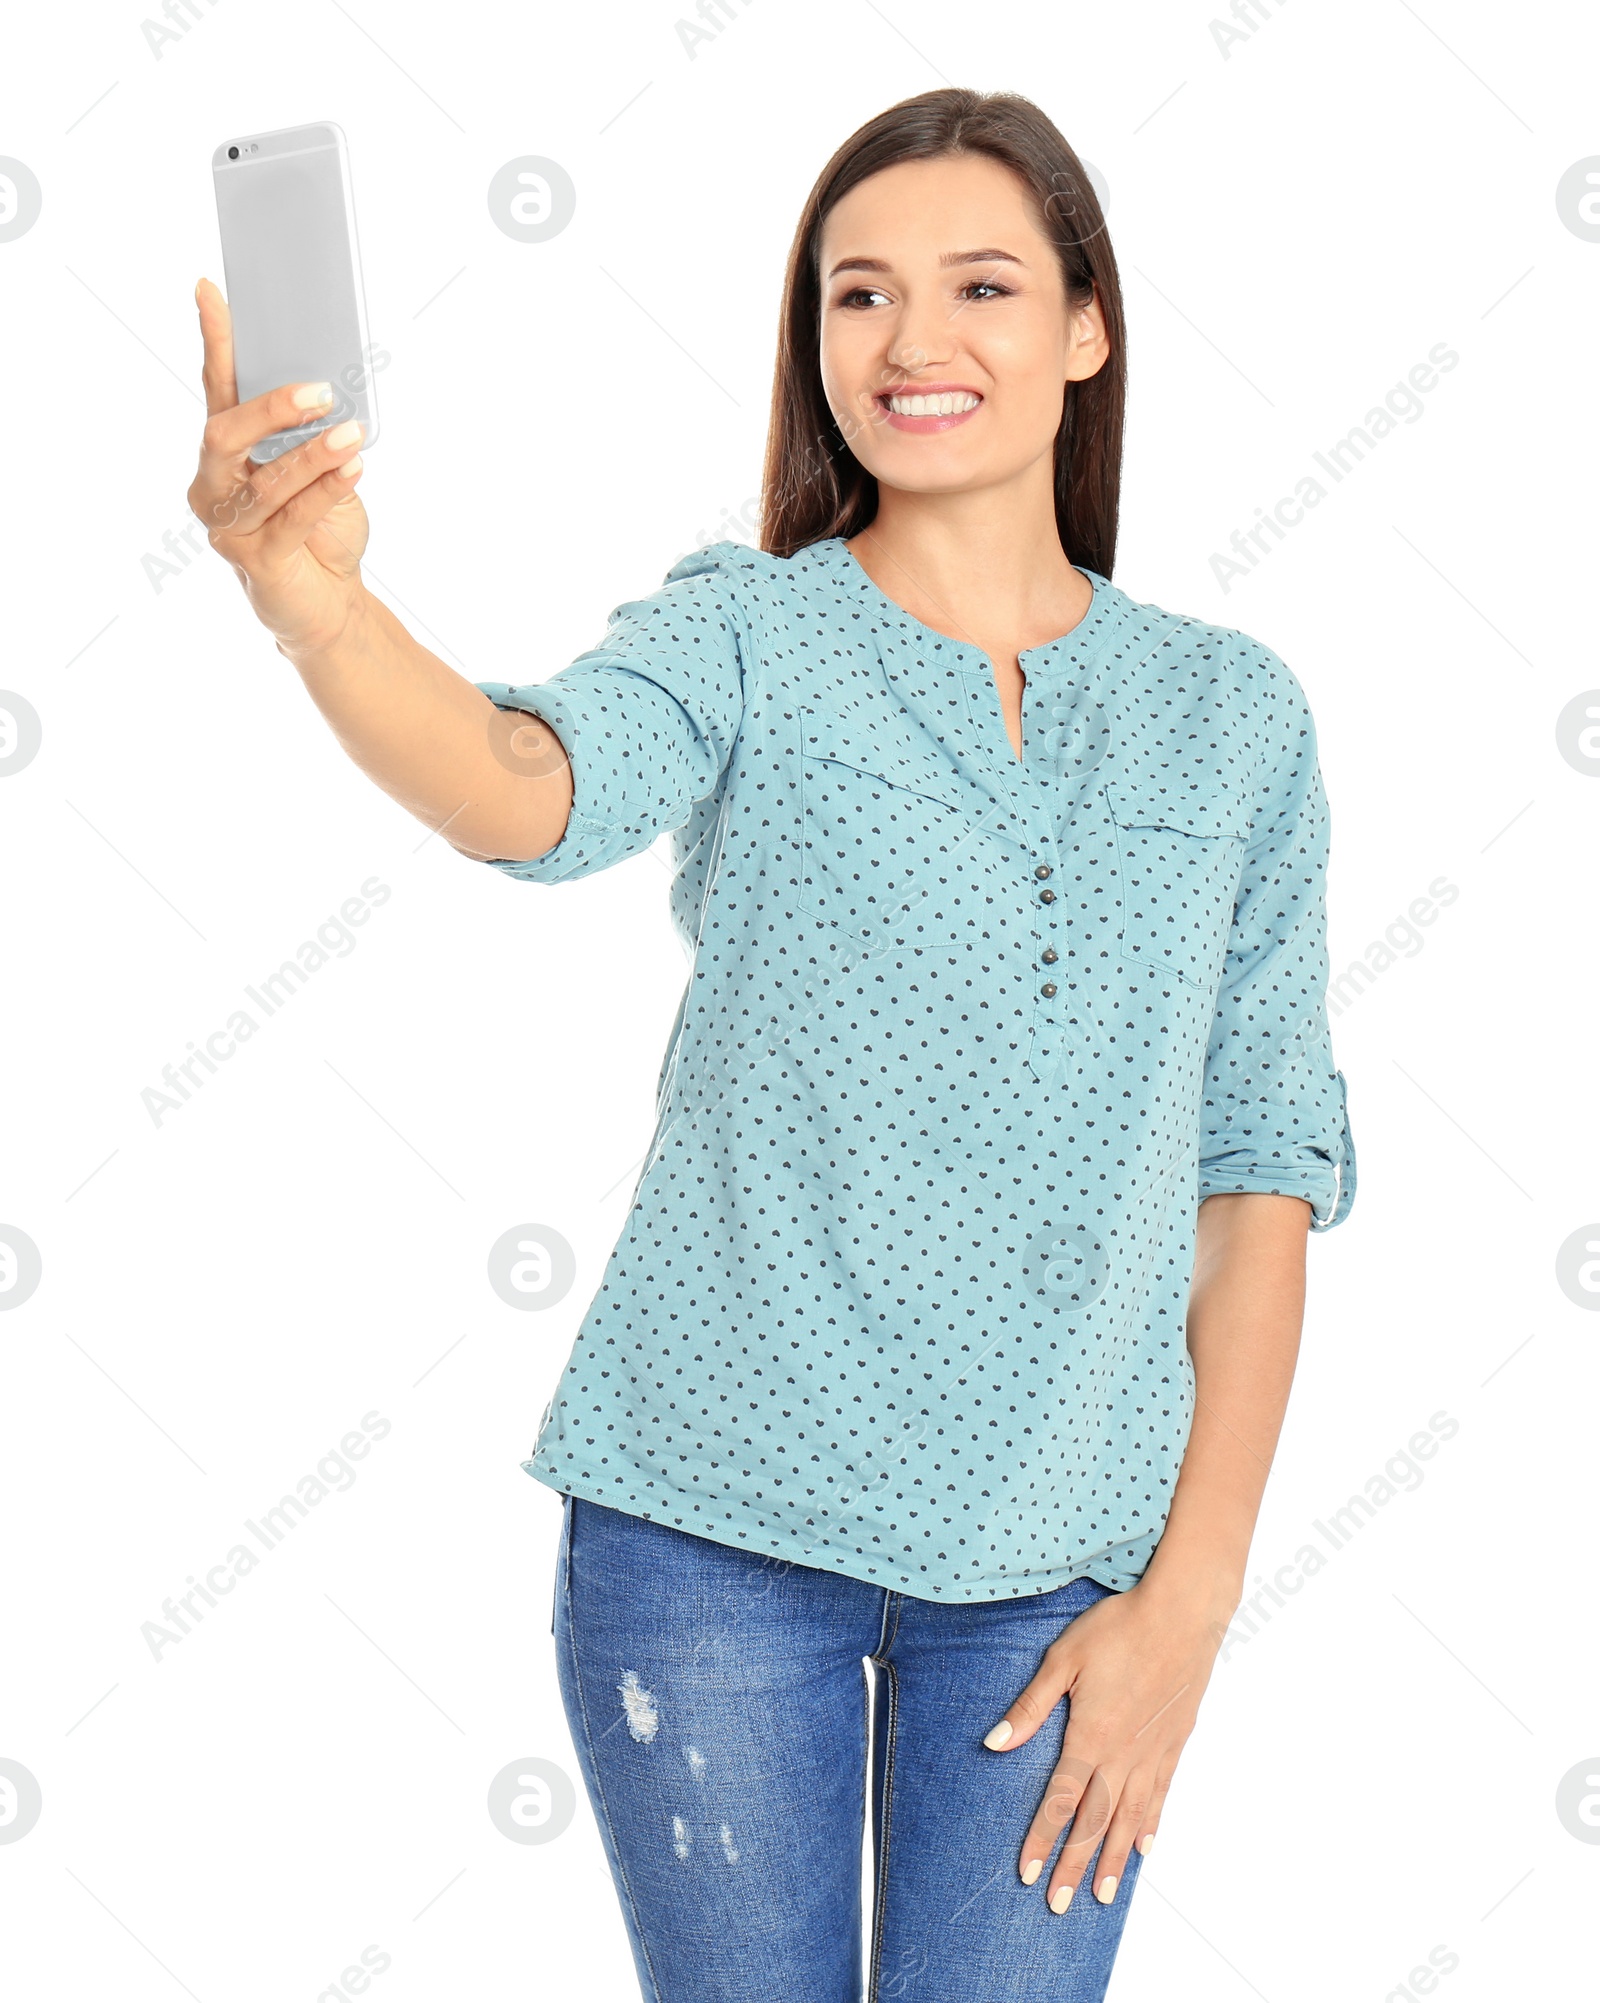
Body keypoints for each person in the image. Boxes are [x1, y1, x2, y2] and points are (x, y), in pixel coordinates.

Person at [187, 84, 1356, 2003]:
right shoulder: (750, 632)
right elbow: (524, 789)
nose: (911, 343)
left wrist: (1192, 1606)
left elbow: (1261, 1179)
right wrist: (316, 606)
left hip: (1069, 1559)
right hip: (710, 1542)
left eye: (981, 285)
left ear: (1088, 326)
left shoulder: (1233, 720)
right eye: (856, 297)